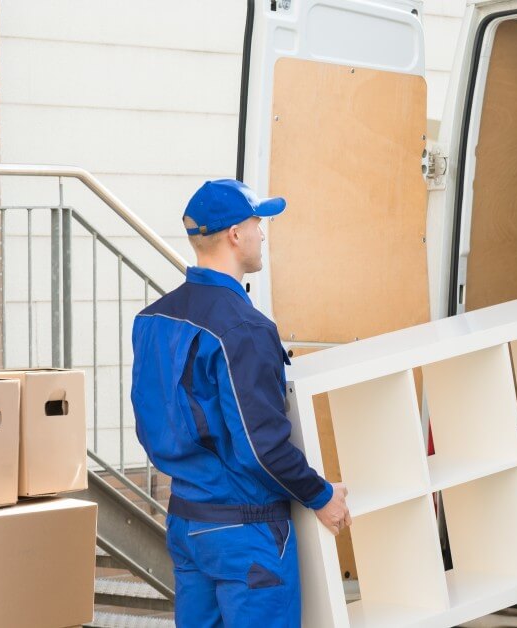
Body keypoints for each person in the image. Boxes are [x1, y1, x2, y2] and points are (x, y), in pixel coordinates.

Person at [130, 179, 351, 627]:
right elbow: (260, 447)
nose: (262, 234)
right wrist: (321, 495)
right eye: (257, 222)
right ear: (235, 234)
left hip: (188, 522)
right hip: (245, 531)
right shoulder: (243, 328)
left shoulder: (153, 318)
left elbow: (149, 419)